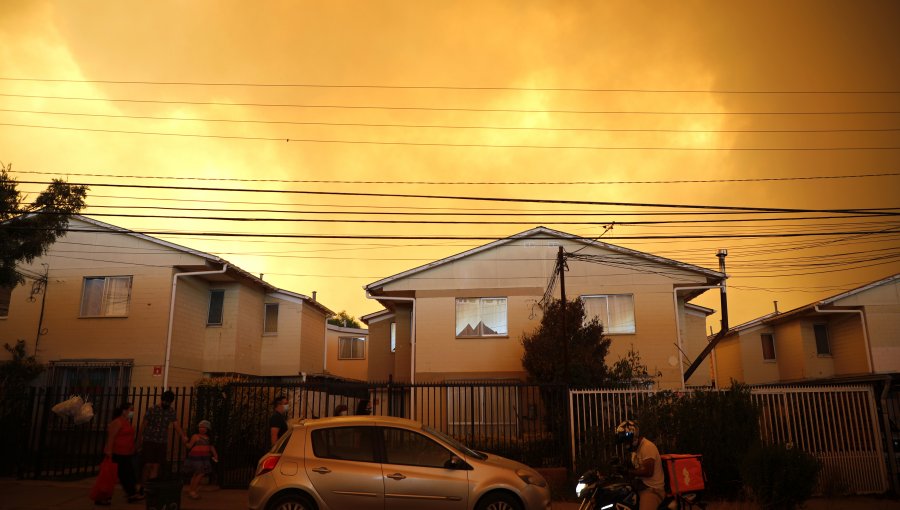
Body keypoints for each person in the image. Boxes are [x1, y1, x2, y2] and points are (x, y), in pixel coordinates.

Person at [98, 402, 144, 505]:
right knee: (116, 476)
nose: (132, 412)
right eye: (130, 409)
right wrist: (109, 451)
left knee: (127, 475)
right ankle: (107, 496)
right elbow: (111, 437)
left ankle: (131, 493)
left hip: (126, 453)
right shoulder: (117, 422)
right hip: (118, 453)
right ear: (124, 411)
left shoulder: (126, 422)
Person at [615, 420, 665, 510]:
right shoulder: (635, 450)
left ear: (633, 438)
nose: (625, 445)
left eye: (626, 442)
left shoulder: (647, 447)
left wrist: (629, 471)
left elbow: (648, 472)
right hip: (640, 487)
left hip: (652, 489)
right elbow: (636, 470)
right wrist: (621, 469)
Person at [139, 390, 187, 482]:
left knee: (156, 465)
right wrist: (139, 438)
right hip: (149, 440)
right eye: (165, 401)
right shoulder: (152, 409)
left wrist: (183, 436)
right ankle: (143, 486)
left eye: (169, 402)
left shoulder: (171, 411)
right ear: (162, 399)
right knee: (147, 464)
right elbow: (144, 424)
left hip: (162, 441)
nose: (167, 403)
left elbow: (176, 425)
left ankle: (151, 486)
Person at [183, 420, 218, 500]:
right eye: (200, 427)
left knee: (197, 474)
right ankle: (193, 491)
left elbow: (211, 446)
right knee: (200, 473)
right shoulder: (195, 436)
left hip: (204, 457)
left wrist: (215, 454)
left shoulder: (209, 438)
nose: (202, 429)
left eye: (204, 427)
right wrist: (185, 442)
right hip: (196, 457)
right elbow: (189, 446)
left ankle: (191, 490)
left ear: (207, 429)